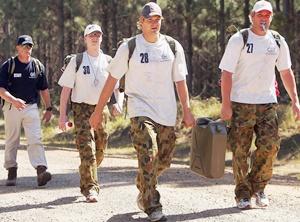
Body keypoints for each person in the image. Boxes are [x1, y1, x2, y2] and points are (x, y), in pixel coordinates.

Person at [89, 2, 195, 221]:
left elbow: (180, 81)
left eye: (157, 19)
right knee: (148, 155)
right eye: (149, 20)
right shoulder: (130, 47)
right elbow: (112, 80)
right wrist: (98, 110)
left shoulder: (173, 46)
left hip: (165, 111)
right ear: (141, 23)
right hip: (139, 109)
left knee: (163, 160)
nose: (154, 23)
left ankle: (143, 185)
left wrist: (187, 110)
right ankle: (153, 205)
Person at [219, 0, 300, 209]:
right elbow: (226, 73)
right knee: (240, 151)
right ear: (252, 17)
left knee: (270, 146)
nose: (264, 18)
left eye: (267, 15)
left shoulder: (278, 41)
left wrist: (295, 100)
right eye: (260, 15)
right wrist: (225, 105)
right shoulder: (240, 39)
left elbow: (285, 72)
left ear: (271, 17)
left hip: (267, 104)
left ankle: (258, 186)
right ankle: (243, 194)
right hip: (241, 104)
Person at [58, 24, 122, 203]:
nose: (94, 37)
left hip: (101, 110)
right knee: (87, 150)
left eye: (98, 35)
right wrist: (63, 116)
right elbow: (65, 91)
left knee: (100, 150)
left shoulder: (109, 61)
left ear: (101, 38)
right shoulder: (77, 60)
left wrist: (118, 104)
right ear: (85, 39)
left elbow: (118, 88)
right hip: (81, 110)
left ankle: (87, 171)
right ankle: (90, 188)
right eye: (91, 35)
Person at [0, 35, 52, 187]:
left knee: (35, 138)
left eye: (29, 46)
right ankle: (11, 169)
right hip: (11, 107)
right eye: (24, 46)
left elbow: (44, 89)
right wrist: (13, 100)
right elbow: (1, 89)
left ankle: (41, 170)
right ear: (17, 47)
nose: (27, 49)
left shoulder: (37, 65)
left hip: (31, 107)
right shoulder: (9, 65)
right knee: (12, 140)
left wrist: (49, 108)